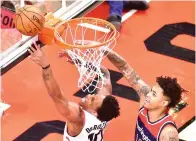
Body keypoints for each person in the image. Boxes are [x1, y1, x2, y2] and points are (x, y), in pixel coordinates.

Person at [28, 43, 120, 141]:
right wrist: (80, 61)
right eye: (94, 95)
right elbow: (104, 73)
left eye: (92, 100)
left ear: (94, 112)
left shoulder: (79, 118)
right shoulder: (106, 112)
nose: (89, 95)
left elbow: (56, 96)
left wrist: (45, 65)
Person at [104, 49, 185, 141]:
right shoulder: (145, 99)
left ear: (164, 103)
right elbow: (125, 68)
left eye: (154, 94)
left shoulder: (168, 133)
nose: (148, 95)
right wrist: (105, 50)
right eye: (151, 91)